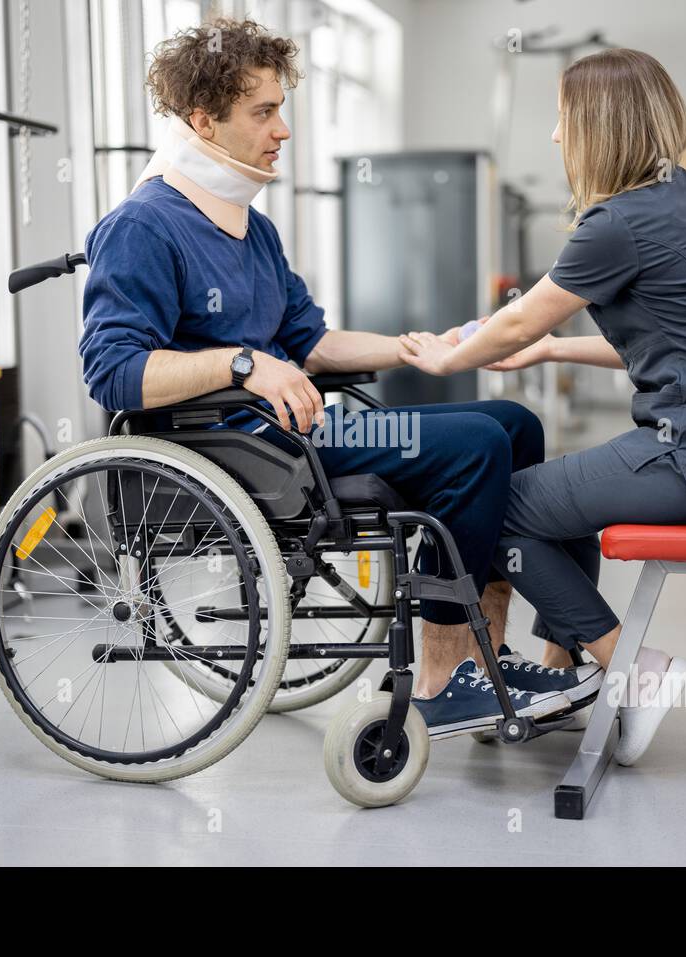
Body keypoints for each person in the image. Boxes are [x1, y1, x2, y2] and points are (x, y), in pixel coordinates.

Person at [77, 19, 601, 738]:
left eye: (281, 110)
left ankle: (486, 650)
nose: (283, 130)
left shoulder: (250, 228)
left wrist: (414, 346)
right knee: (478, 443)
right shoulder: (144, 225)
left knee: (517, 424)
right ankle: (446, 674)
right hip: (237, 450)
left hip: (295, 429)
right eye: (264, 112)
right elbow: (113, 371)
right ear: (203, 120)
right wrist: (243, 362)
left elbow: (312, 342)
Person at [399, 48, 686, 765]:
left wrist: (445, 356)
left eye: (562, 119)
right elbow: (672, 344)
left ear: (596, 125)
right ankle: (562, 677)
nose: (556, 136)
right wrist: (554, 352)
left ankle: (631, 665)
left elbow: (520, 316)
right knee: (562, 494)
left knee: (497, 506)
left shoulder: (617, 223)